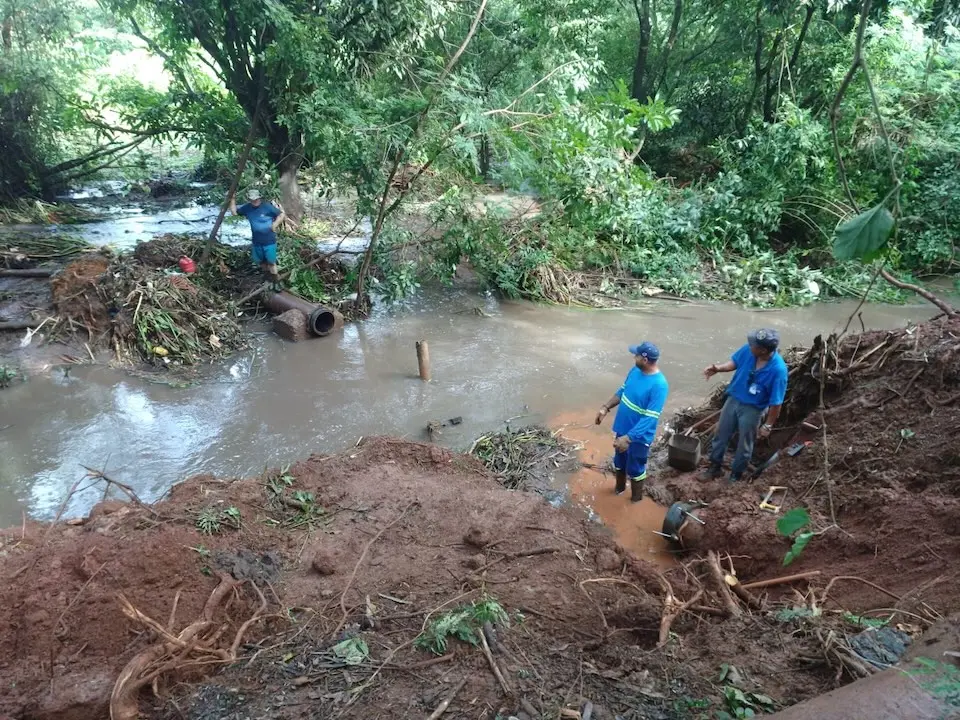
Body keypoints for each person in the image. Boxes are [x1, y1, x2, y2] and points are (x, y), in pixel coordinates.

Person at [701, 328, 788, 483]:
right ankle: (714, 467)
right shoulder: (748, 351)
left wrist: (768, 425)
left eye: (753, 345)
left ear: (762, 350)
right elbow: (734, 362)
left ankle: (735, 475)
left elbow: (776, 403)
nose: (749, 346)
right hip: (734, 400)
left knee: (745, 445)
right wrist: (718, 368)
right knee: (721, 435)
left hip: (753, 409)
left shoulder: (778, 371)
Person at [595, 341, 670, 502]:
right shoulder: (635, 370)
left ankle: (635, 500)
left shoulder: (659, 385)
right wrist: (605, 408)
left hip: (638, 437)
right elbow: (622, 391)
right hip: (622, 429)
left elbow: (650, 417)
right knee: (619, 463)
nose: (633, 357)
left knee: (636, 469)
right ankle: (619, 490)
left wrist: (629, 438)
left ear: (644, 359)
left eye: (636, 355)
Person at [230, 188, 285, 289]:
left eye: (256, 199)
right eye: (252, 200)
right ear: (249, 200)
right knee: (261, 262)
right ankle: (267, 279)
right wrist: (232, 199)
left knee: (271, 262)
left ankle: (276, 282)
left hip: (269, 240)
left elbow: (281, 214)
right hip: (256, 241)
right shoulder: (247, 208)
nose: (255, 201)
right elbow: (234, 212)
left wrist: (275, 224)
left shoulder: (267, 207)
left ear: (259, 198)